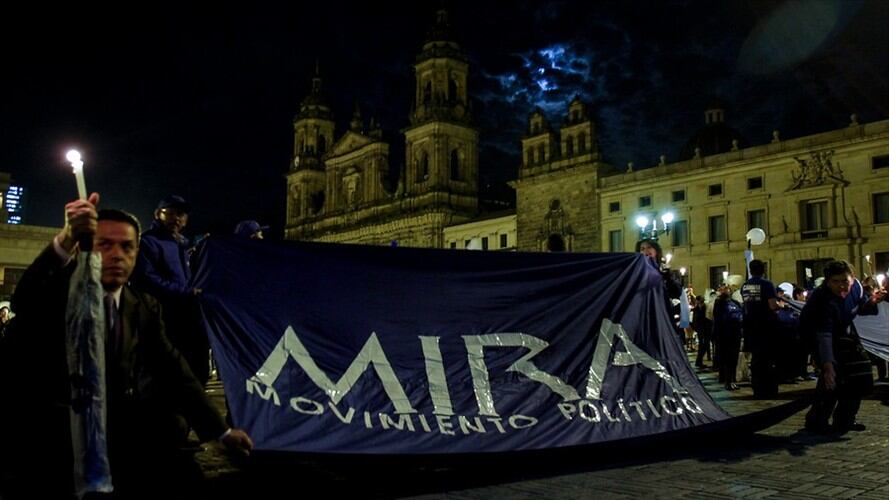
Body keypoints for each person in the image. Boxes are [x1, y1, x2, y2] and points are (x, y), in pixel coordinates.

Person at [2, 193, 253, 498]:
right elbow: (25, 297)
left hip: (117, 437)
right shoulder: (59, 292)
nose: (117, 255)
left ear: (136, 254)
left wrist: (221, 431)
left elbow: (174, 369)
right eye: (104, 245)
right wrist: (65, 239)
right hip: (52, 437)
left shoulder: (142, 307)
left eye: (126, 247)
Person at [132, 195, 210, 385]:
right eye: (171, 213)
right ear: (158, 214)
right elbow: (146, 278)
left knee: (196, 371)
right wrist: (185, 292)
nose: (176, 218)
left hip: (188, 318)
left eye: (181, 214)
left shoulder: (183, 243)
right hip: (166, 320)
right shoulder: (149, 242)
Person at [802, 260, 884, 434]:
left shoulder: (857, 289)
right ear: (827, 281)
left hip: (844, 333)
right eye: (835, 282)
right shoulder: (821, 299)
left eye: (844, 281)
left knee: (859, 376)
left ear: (852, 279)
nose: (841, 287)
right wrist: (827, 364)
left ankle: (845, 420)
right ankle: (817, 421)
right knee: (831, 381)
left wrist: (873, 301)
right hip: (817, 335)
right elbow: (824, 334)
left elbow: (861, 307)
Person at [740, 259, 781, 398]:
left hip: (751, 326)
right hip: (766, 326)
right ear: (763, 270)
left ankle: (757, 389)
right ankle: (769, 389)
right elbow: (772, 305)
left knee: (756, 360)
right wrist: (782, 306)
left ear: (750, 270)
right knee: (769, 360)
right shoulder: (767, 284)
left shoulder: (745, 286)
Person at [714, 284, 744, 390]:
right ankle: (728, 381)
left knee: (734, 359)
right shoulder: (719, 303)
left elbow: (742, 314)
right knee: (727, 359)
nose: (725, 290)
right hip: (725, 335)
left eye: (727, 289)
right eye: (722, 289)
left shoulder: (735, 303)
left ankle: (732, 380)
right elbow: (717, 319)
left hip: (735, 334)